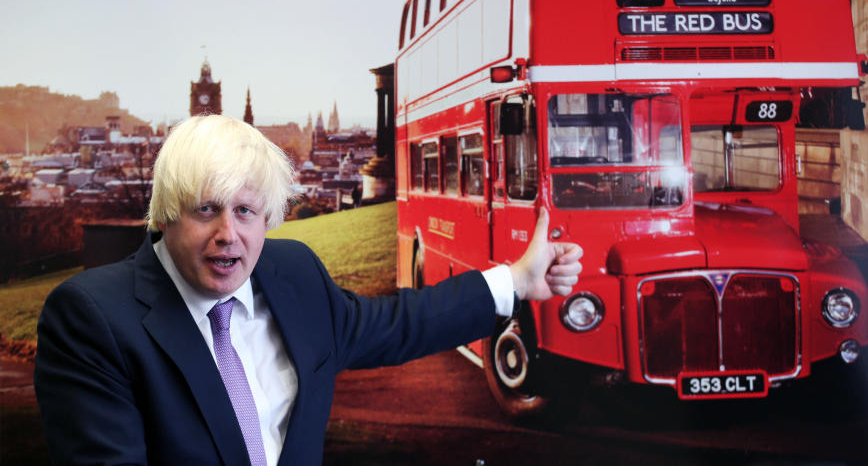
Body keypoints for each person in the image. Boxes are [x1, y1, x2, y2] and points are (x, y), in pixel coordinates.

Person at [34, 114, 582, 465]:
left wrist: (517, 280)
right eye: (206, 210)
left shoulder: (291, 274)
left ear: (268, 217)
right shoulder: (92, 319)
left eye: (246, 211)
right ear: (167, 213)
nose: (229, 234)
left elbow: (396, 324)